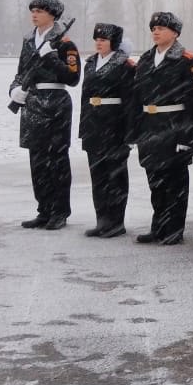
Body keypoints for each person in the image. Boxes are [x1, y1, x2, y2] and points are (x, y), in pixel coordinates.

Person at [9, 0, 81, 230]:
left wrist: (51, 56)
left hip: (56, 103)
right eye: (33, 10)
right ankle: (44, 209)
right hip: (33, 102)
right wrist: (14, 90)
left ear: (52, 14)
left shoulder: (65, 43)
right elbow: (21, 71)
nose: (34, 14)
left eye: (39, 10)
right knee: (37, 160)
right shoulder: (29, 40)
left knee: (57, 160)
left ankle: (59, 211)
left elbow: (72, 78)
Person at [129, 11, 193, 245]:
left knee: (175, 181)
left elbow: (192, 103)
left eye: (161, 28)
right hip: (150, 126)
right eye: (153, 28)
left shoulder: (186, 60)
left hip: (173, 125)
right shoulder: (146, 59)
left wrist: (186, 135)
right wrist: (135, 129)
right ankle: (158, 224)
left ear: (175, 32)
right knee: (155, 180)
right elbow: (136, 96)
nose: (155, 32)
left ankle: (174, 228)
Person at [79, 23, 135, 238]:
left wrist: (129, 132)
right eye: (97, 39)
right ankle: (102, 220)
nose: (99, 43)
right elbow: (85, 96)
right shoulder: (91, 63)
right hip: (94, 125)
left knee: (116, 176)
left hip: (114, 125)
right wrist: (83, 128)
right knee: (98, 176)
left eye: (104, 39)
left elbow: (130, 101)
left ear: (114, 42)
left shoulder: (124, 65)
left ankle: (116, 221)